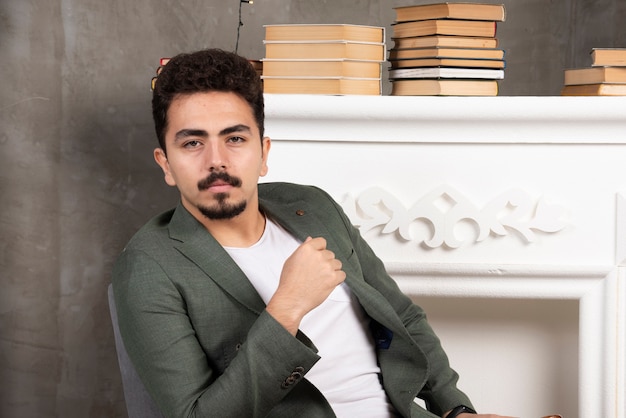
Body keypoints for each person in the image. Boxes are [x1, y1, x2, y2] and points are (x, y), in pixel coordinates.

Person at [112, 48, 513, 418]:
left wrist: (456, 410)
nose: (217, 161)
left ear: (264, 153)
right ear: (165, 164)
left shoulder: (312, 207)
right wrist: (286, 308)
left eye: (235, 139)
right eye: (193, 143)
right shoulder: (148, 267)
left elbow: (402, 316)